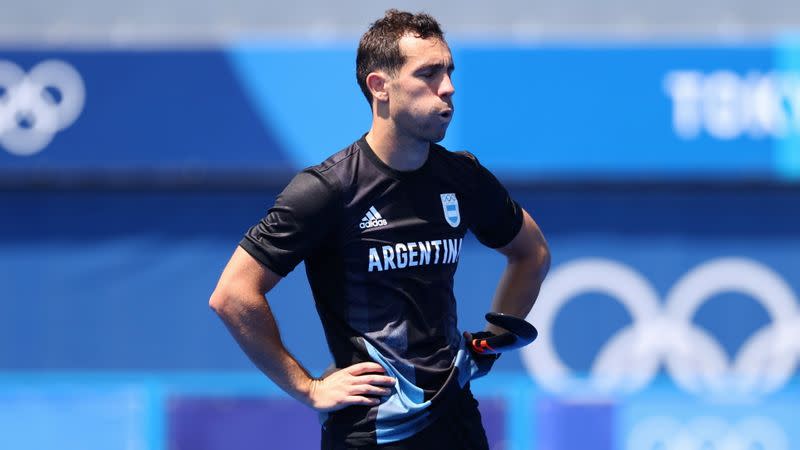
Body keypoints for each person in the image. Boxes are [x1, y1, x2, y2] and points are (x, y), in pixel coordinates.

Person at [209, 9, 550, 450]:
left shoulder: (462, 177)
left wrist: (493, 339)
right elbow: (233, 294)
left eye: (448, 71)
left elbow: (532, 253)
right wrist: (308, 388)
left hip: (457, 420)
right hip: (371, 431)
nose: (448, 87)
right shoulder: (327, 189)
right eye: (428, 73)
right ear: (380, 86)